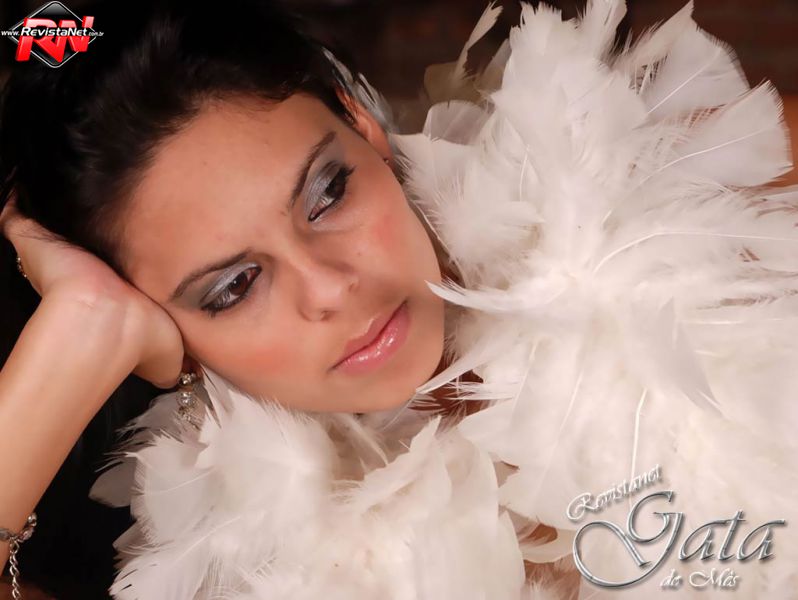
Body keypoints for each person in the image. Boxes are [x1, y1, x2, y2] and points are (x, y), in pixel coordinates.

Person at [1, 0, 797, 598]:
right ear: (156, 329)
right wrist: (78, 328)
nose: (331, 287)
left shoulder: (697, 185)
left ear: (363, 128)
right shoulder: (226, 564)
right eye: (234, 286)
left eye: (327, 193)